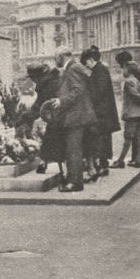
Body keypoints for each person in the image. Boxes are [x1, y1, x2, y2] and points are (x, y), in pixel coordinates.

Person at [49, 45, 98, 193]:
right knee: (73, 149)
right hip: (77, 115)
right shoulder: (74, 67)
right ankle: (73, 180)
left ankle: (75, 183)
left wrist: (61, 101)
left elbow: (78, 90)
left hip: (76, 116)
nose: (55, 61)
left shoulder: (72, 68)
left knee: (73, 150)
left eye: (55, 58)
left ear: (61, 56)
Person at [80, 45, 120, 177]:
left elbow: (99, 92)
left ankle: (103, 166)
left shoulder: (100, 70)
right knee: (102, 139)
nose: (86, 66)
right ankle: (102, 165)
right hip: (103, 112)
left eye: (86, 63)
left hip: (103, 113)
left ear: (91, 60)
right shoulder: (100, 69)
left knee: (102, 140)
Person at [26, 62, 65, 178]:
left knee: (51, 139)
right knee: (55, 140)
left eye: (32, 78)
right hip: (59, 116)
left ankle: (45, 164)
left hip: (58, 117)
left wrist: (28, 116)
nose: (32, 81)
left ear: (36, 77)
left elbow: (41, 104)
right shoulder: (51, 79)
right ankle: (49, 164)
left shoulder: (46, 84)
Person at [112, 61, 140, 168]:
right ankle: (138, 160)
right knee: (139, 137)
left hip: (131, 114)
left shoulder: (128, 82)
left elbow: (136, 96)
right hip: (139, 114)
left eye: (124, 69)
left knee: (128, 138)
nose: (123, 71)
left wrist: (139, 103)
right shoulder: (136, 80)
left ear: (128, 70)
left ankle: (120, 161)